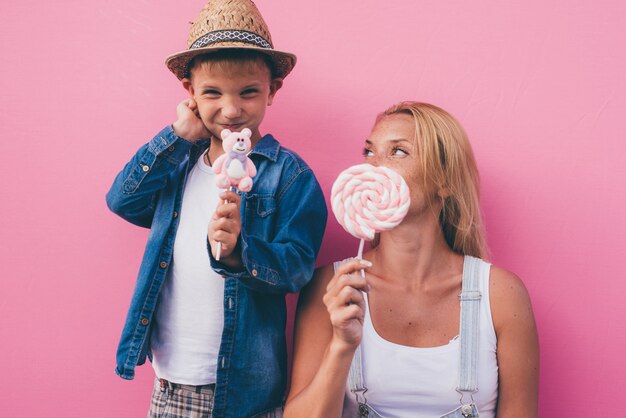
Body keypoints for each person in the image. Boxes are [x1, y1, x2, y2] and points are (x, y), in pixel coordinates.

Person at [105, 1, 327, 416]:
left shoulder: (290, 176)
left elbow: (297, 269)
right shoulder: (179, 165)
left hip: (240, 392)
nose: (230, 110)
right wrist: (176, 136)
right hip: (168, 382)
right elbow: (122, 200)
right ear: (189, 93)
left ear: (272, 90)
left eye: (248, 92)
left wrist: (242, 252)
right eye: (212, 93)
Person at [284, 102, 539, 418]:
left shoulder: (500, 294)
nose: (374, 166)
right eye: (369, 152)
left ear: (444, 181)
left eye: (398, 152)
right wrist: (341, 346)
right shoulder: (332, 287)